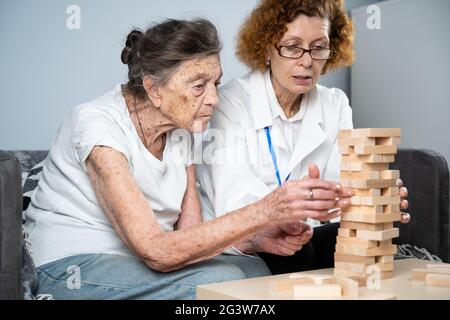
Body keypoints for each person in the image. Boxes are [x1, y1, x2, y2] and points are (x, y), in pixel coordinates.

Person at [24, 18, 353, 300]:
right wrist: (266, 210)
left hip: (141, 261)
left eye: (217, 83)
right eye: (199, 86)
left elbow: (192, 234)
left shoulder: (181, 130)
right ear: (153, 88)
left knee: (257, 269)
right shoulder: (96, 124)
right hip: (73, 265)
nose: (213, 98)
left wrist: (257, 238)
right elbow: (157, 251)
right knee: (226, 283)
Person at [196, 0, 410, 275]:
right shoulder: (229, 102)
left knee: (375, 243)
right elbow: (237, 204)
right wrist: (305, 206)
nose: (307, 61)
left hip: (305, 235)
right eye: (293, 46)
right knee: (295, 252)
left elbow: (343, 188)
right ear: (267, 49)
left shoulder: (335, 103)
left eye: (318, 47)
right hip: (246, 240)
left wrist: (376, 197)